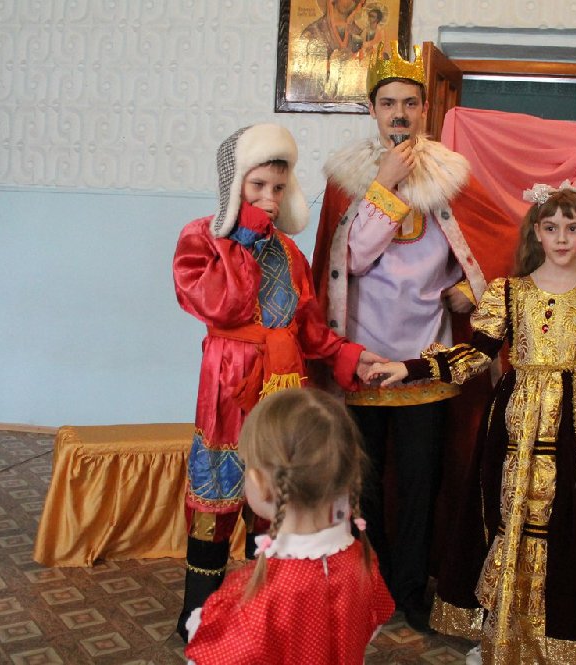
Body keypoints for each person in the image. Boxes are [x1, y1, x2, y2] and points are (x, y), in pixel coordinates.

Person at [366, 181, 576, 664]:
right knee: (505, 520)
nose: (561, 238)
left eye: (573, 228)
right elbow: (475, 354)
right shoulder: (509, 293)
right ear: (536, 232)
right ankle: (502, 636)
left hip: (572, 434)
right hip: (511, 429)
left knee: (560, 527)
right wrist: (409, 368)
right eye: (551, 227)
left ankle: (555, 640)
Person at [310, 42, 518, 632]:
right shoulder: (348, 176)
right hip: (365, 359)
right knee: (364, 486)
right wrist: (384, 184)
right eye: (387, 103)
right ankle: (367, 587)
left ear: (425, 109)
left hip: (426, 362)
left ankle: (408, 589)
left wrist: (469, 288)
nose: (398, 114)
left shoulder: (450, 175)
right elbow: (349, 259)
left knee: (423, 485)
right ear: (372, 110)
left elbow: (496, 241)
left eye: (409, 103)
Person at [172, 123, 382, 641]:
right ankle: (198, 616)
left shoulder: (289, 252)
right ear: (234, 183)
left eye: (279, 188)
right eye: (257, 185)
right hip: (228, 389)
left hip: (284, 391)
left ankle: (261, 614)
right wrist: (241, 240)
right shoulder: (202, 239)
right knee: (217, 499)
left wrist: (351, 356)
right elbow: (222, 305)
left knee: (275, 499)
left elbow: (309, 329)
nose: (269, 198)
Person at [184, 387, 396, 664]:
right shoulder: (363, 560)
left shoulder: (252, 595)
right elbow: (372, 625)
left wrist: (201, 627)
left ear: (260, 483)